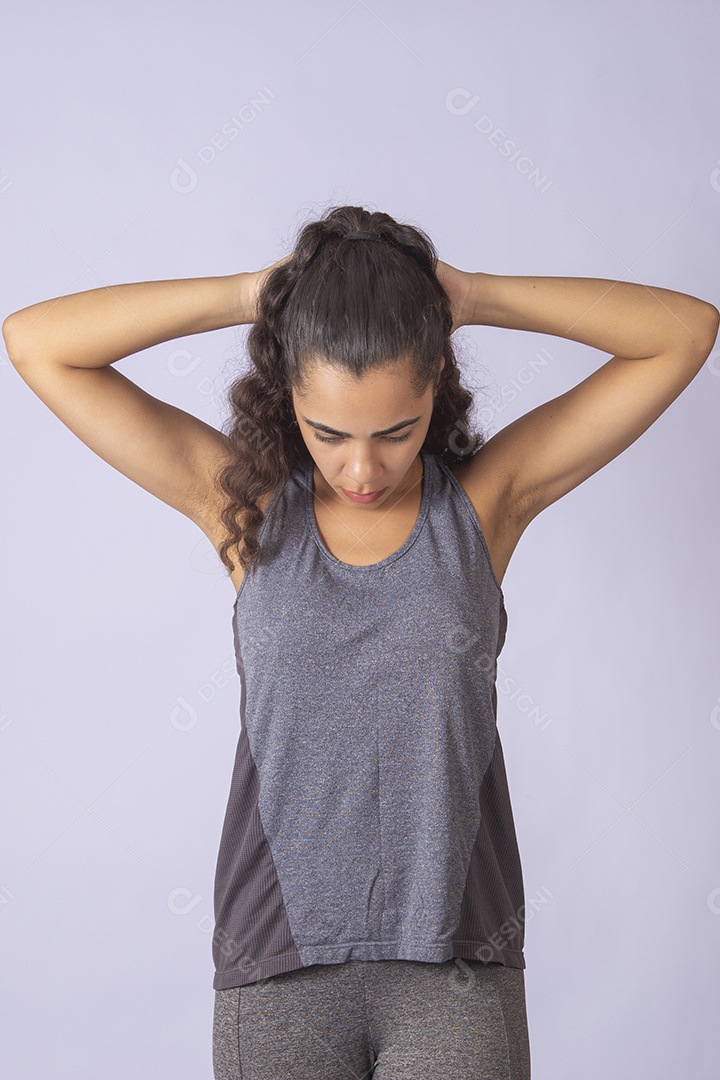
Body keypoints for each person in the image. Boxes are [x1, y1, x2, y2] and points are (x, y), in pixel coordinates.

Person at [4, 204, 717, 1080]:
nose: (361, 470)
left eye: (396, 432)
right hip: (278, 970)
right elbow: (40, 342)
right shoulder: (249, 511)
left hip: (456, 973)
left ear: (437, 385)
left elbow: (684, 334)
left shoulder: (484, 508)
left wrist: (469, 294)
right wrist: (258, 295)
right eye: (329, 433)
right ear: (289, 399)